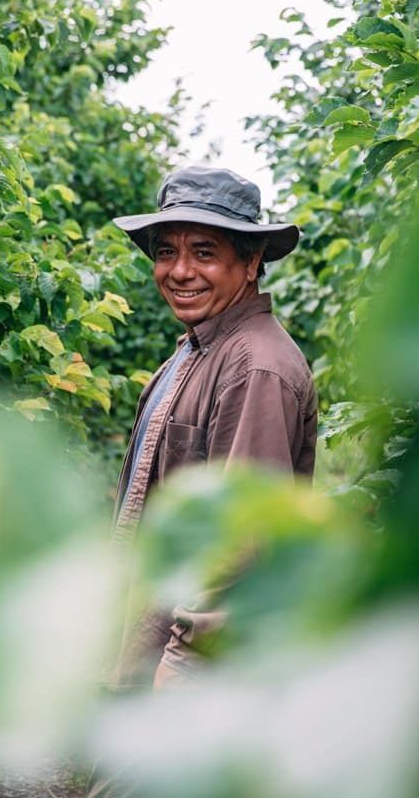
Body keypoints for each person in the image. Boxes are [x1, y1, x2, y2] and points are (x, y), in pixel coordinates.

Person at [105, 165, 318, 692]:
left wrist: (182, 671)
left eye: (204, 253)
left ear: (250, 263)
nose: (179, 271)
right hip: (156, 644)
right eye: (165, 252)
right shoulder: (197, 351)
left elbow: (239, 540)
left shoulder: (254, 368)